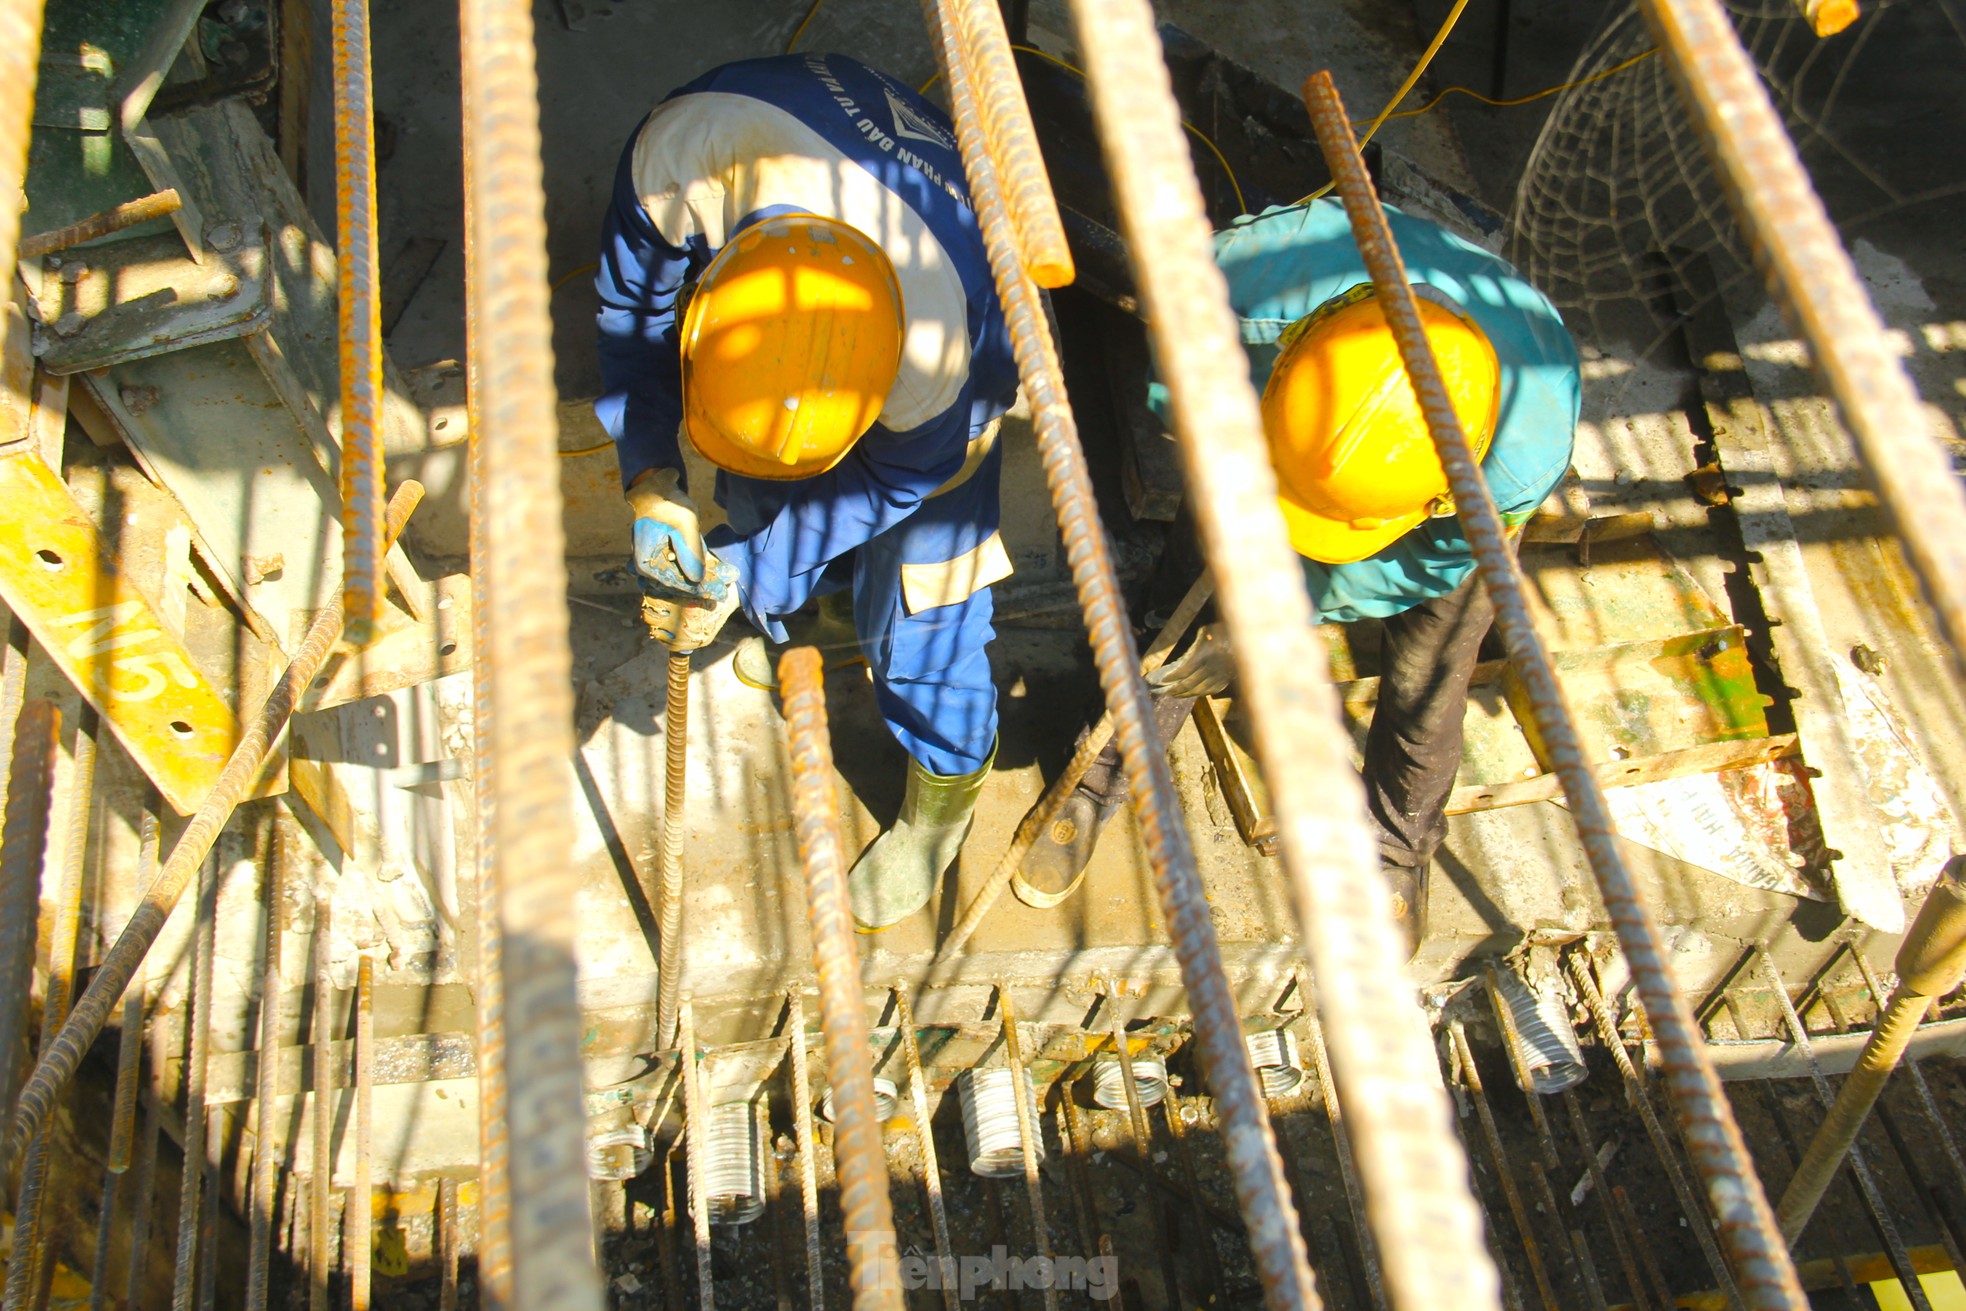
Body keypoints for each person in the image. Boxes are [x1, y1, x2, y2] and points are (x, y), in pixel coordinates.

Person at [1016, 198, 1580, 950]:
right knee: (1173, 622)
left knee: (1426, 681)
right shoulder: (1227, 297)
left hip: (1431, 538)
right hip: (1255, 456)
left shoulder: (1520, 447)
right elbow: (1172, 408)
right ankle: (1098, 777)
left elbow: (1403, 575)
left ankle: (1396, 844)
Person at [594, 53, 1019, 931]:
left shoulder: (940, 355)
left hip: (948, 340)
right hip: (811, 191)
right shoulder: (682, 157)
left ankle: (941, 805)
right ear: (710, 303)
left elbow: (898, 476)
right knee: (756, 499)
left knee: (925, 615)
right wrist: (650, 476)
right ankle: (820, 619)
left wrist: (747, 572)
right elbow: (631, 327)